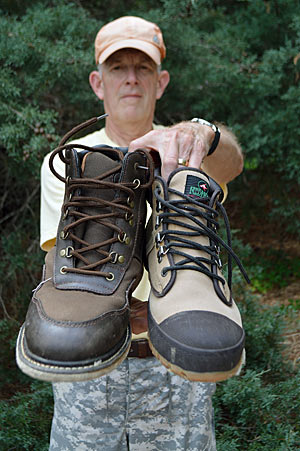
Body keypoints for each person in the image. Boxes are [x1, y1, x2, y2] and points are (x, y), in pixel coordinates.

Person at [40, 16, 243, 451]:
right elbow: (74, 271)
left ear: (161, 81)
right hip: (88, 358)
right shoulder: (73, 164)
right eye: (118, 67)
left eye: (143, 67)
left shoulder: (188, 152)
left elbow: (232, 163)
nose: (131, 78)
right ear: (98, 82)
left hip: (176, 366)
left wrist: (202, 134)